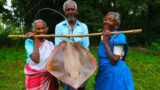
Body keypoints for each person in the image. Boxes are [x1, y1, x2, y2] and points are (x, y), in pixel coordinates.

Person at [94, 11, 134, 90]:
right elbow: (103, 55)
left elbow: (114, 60)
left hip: (115, 75)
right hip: (104, 73)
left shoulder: (119, 37)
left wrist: (106, 42)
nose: (106, 21)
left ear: (116, 26)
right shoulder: (104, 35)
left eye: (110, 20)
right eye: (105, 19)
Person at [54, 0, 89, 90]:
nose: (70, 12)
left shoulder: (83, 27)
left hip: (81, 63)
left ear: (76, 11)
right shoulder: (59, 27)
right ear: (64, 12)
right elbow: (58, 47)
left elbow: (86, 47)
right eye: (68, 10)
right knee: (69, 87)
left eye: (72, 9)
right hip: (65, 64)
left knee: (80, 87)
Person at [24, 19, 59, 90]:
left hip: (49, 78)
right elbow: (36, 59)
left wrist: (55, 80)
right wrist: (35, 40)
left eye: (43, 28)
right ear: (34, 30)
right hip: (34, 77)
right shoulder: (29, 42)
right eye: (38, 29)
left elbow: (53, 64)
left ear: (46, 29)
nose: (41, 31)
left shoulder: (50, 44)